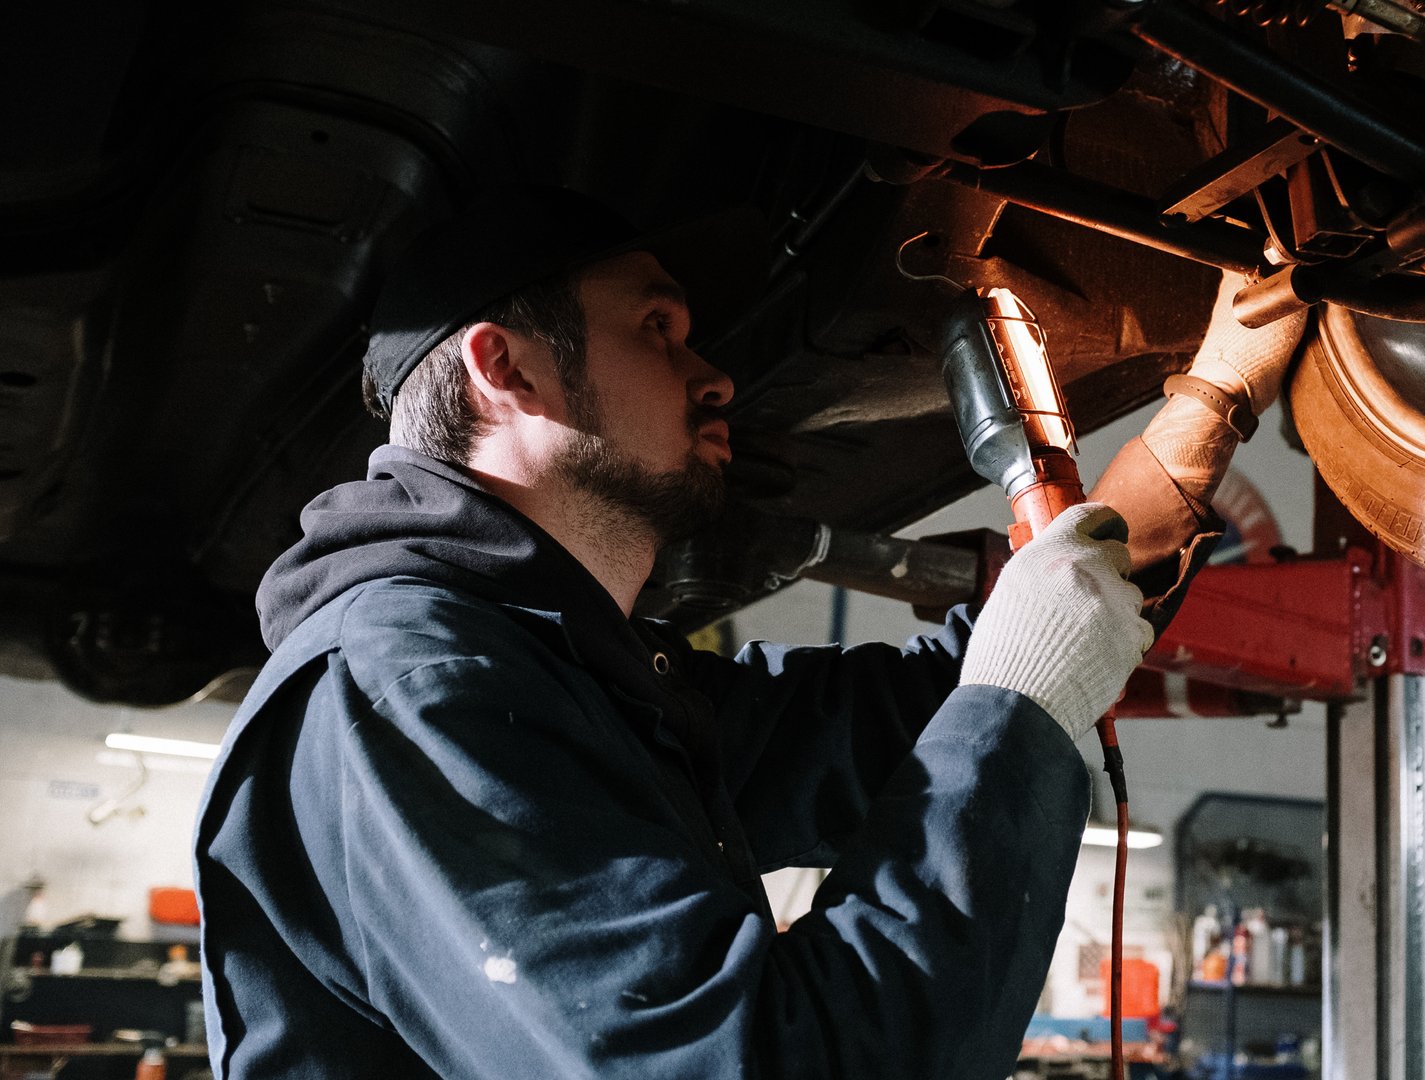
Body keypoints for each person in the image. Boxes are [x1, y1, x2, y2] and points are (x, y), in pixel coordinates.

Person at [191, 187, 1167, 1080]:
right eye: (657, 327)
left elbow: (874, 731)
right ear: (505, 369)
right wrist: (1022, 702)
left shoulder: (570, 678)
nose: (716, 378)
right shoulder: (404, 684)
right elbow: (750, 1063)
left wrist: (1173, 466)